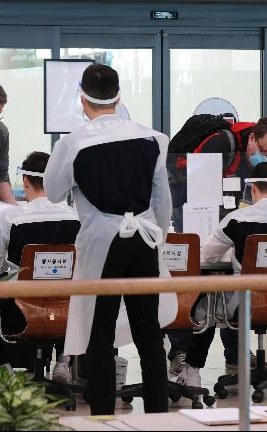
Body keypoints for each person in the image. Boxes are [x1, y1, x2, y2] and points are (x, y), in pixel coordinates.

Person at [44, 64, 176, 415]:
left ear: (82, 101)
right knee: (149, 332)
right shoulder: (153, 138)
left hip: (101, 242)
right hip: (144, 239)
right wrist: (155, 239)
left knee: (98, 333)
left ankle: (103, 416)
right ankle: (158, 417)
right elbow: (163, 203)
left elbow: (54, 192)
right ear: (118, 98)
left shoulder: (72, 143)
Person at [174, 162, 267, 388]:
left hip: (245, 306)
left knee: (206, 305)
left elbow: (208, 256)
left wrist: (235, 253)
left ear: (253, 189)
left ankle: (192, 372)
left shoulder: (237, 219)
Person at [167, 116, 267, 375]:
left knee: (235, 279)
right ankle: (180, 351)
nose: (266, 158)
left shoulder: (251, 155)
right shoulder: (221, 143)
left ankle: (236, 354)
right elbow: (196, 187)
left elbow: (244, 195)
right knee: (194, 280)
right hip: (193, 214)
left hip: (225, 220)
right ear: (254, 138)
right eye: (265, 151)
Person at [0, 151, 80, 380]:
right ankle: (64, 361)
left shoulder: (12, 218)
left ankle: (3, 368)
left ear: (25, 181)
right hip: (68, 314)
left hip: (18, 314)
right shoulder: (76, 217)